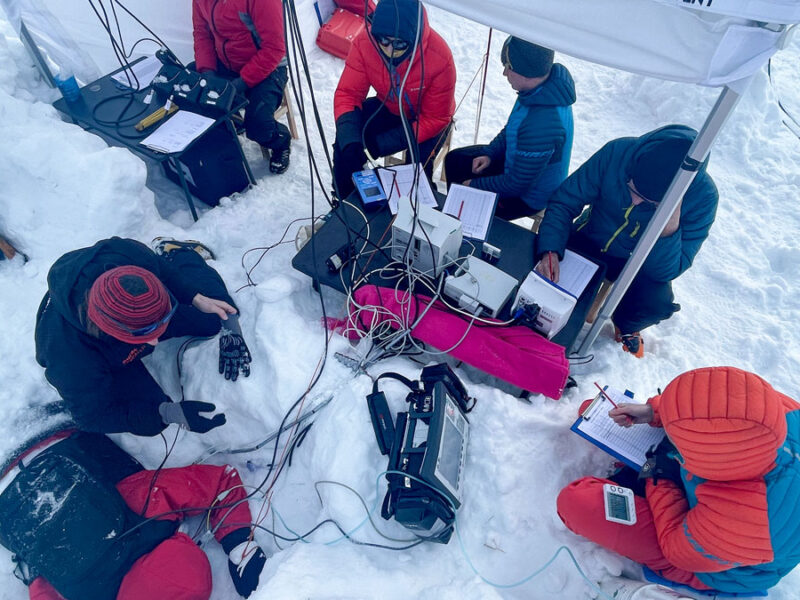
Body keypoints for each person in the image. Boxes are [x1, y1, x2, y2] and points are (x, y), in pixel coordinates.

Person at [557, 366, 800, 595]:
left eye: (680, 443)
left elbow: (676, 549)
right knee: (594, 414)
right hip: (714, 488)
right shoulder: (781, 410)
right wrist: (655, 412)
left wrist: (658, 477)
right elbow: (714, 400)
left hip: (711, 562)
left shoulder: (751, 521)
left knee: (579, 503)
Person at [0, 429, 266, 600]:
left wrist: (239, 544)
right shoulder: (91, 594)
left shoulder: (146, 509)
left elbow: (221, 482)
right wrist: (34, 578)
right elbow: (38, 585)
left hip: (52, 438)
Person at [35, 237, 252, 437]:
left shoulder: (128, 255)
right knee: (150, 407)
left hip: (147, 311)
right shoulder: (68, 357)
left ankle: (177, 252)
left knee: (213, 313)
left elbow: (163, 272)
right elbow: (92, 417)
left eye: (159, 328)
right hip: (108, 357)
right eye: (145, 334)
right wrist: (166, 414)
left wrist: (194, 297)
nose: (155, 342)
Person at [535, 125, 718, 357]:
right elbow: (565, 201)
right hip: (589, 237)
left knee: (657, 304)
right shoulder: (619, 152)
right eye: (632, 188)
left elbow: (667, 271)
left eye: (646, 201)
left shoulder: (703, 197)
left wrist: (668, 228)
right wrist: (551, 248)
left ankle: (625, 325)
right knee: (544, 270)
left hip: (639, 262)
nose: (634, 201)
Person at [331, 0, 456, 199]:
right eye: (384, 41)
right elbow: (348, 94)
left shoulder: (439, 57)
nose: (389, 50)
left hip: (428, 119)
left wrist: (381, 144)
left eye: (398, 44)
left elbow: (436, 118)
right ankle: (343, 199)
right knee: (345, 143)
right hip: (390, 108)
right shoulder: (366, 43)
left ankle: (417, 207)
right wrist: (350, 141)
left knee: (418, 167)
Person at [444, 36, 575, 220]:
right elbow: (513, 128)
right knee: (455, 161)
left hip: (527, 196)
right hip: (519, 164)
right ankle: (457, 210)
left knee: (468, 198)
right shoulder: (537, 90)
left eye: (509, 67)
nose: (504, 72)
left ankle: (464, 224)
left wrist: (473, 186)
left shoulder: (542, 124)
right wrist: (490, 153)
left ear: (527, 72)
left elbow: (517, 185)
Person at [192, 0, 291, 174]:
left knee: (258, 126)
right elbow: (202, 34)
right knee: (193, 87)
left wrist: (240, 84)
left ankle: (281, 140)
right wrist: (207, 72)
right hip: (228, 63)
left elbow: (274, 49)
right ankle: (233, 119)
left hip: (268, 67)